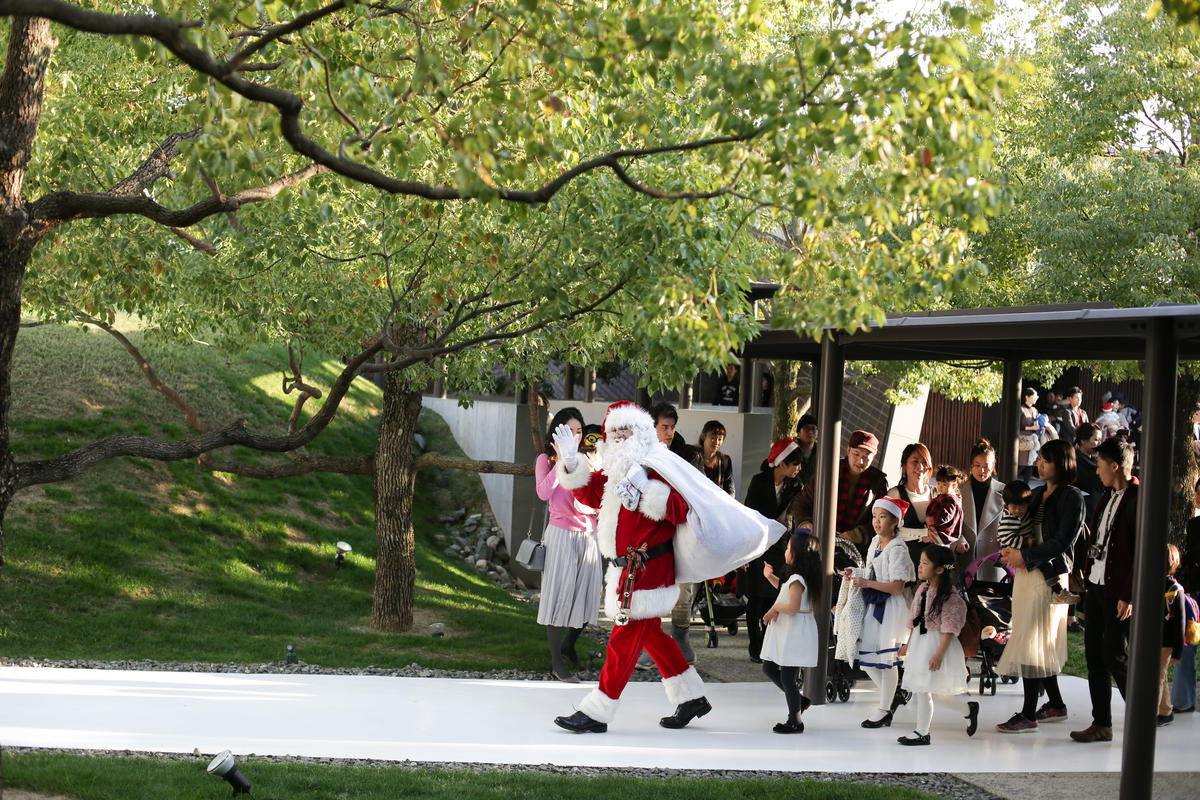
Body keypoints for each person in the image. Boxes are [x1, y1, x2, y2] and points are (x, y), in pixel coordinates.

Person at [551, 402, 710, 733]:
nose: (619, 438)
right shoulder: (616, 471)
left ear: (640, 432)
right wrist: (571, 463)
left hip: (648, 568)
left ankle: (597, 712)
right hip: (628, 569)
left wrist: (645, 489)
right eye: (613, 433)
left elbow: (681, 510)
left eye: (625, 432)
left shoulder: (658, 465)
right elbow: (590, 493)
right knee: (650, 635)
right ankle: (692, 696)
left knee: (622, 640)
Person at [995, 439, 1085, 733]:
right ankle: (1056, 704)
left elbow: (1062, 541)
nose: (1040, 463)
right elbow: (1017, 523)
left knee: (1033, 640)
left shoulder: (1072, 497)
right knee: (1032, 637)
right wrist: (1011, 550)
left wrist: (1024, 555)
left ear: (1063, 463)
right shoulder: (1035, 493)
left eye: (1046, 460)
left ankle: (1028, 713)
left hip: (1049, 575)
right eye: (1040, 458)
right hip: (1028, 571)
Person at [1070, 437, 1138, 743]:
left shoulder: (1137, 498)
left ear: (1115, 466)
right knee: (1095, 655)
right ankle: (1102, 723)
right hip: (1096, 584)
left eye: (1099, 465)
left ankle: (1141, 715)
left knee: (1115, 655)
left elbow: (1141, 552)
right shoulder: (1107, 496)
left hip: (1117, 591)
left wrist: (1129, 594)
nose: (1096, 471)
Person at [536, 407, 601, 683]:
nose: (575, 436)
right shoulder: (546, 460)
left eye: (578, 431)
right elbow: (543, 493)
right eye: (569, 431)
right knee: (558, 598)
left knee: (588, 597)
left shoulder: (590, 458)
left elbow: (597, 496)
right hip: (561, 535)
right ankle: (556, 662)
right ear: (557, 432)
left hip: (589, 535)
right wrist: (562, 461)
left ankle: (568, 645)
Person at [896, 544, 980, 745]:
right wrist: (908, 645)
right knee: (926, 689)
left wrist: (939, 655)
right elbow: (914, 620)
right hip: (920, 644)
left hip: (937, 645)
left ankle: (922, 732)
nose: (920, 566)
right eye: (920, 562)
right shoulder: (922, 590)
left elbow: (950, 629)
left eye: (925, 563)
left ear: (940, 569)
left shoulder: (950, 598)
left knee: (925, 690)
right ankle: (968, 709)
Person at [844, 496, 916, 729]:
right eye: (875, 516)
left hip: (891, 608)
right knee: (868, 661)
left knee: (887, 661)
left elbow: (897, 587)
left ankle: (884, 709)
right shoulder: (875, 542)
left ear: (895, 521)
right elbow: (872, 572)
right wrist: (855, 575)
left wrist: (866, 583)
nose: (876, 521)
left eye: (882, 517)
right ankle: (893, 696)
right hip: (875, 605)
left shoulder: (898, 549)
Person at [743, 438, 805, 663]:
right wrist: (745, 551)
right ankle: (755, 645)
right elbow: (748, 514)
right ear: (781, 464)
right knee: (755, 598)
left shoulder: (796, 485)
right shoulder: (759, 481)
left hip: (780, 545)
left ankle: (769, 644)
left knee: (774, 594)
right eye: (795, 464)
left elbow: (796, 516)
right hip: (758, 544)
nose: (799, 468)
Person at [760, 529, 821, 733]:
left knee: (787, 677)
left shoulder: (797, 578)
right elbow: (785, 590)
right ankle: (799, 702)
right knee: (770, 668)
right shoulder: (797, 577)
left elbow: (793, 606)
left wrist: (775, 608)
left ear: (796, 554)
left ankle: (795, 720)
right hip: (791, 630)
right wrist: (770, 577)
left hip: (794, 632)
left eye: (788, 548)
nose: (785, 551)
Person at [793, 429, 889, 558]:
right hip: (817, 539)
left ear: (874, 457)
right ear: (848, 450)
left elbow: (882, 519)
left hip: (852, 551)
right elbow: (802, 502)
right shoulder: (829, 470)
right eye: (856, 454)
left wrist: (857, 535)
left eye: (866, 457)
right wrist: (806, 523)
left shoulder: (878, 483)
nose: (860, 461)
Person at [1171, 476, 1200, 714]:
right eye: (1197, 492)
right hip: (1194, 592)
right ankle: (1183, 699)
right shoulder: (1194, 524)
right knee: (1188, 642)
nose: (1198, 497)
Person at [960, 438, 1006, 578]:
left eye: (986, 466)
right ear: (971, 466)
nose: (982, 470)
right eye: (977, 465)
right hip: (964, 557)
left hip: (992, 560)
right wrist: (958, 542)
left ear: (993, 466)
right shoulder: (958, 490)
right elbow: (951, 524)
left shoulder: (1004, 491)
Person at [887, 442, 934, 569]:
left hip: (934, 569)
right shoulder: (895, 495)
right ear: (904, 465)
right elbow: (889, 531)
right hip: (903, 568)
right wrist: (923, 533)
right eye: (915, 461)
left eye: (924, 462)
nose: (920, 467)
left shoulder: (937, 494)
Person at [1159, 545, 1188, 726]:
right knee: (1160, 676)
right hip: (1152, 640)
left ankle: (1149, 713)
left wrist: (1177, 651)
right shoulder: (1151, 583)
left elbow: (1180, 623)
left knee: (1156, 678)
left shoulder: (1176, 589)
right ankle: (1165, 711)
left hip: (1166, 642)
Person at [924, 465, 966, 553]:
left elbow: (946, 515)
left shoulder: (949, 499)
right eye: (938, 483)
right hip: (942, 535)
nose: (940, 487)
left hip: (941, 535)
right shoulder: (948, 497)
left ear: (954, 486)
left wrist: (933, 520)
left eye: (944, 484)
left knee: (936, 553)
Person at [690, 420, 735, 497]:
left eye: (720, 439)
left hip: (715, 501)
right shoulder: (693, 455)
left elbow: (730, 490)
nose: (716, 442)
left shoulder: (725, 460)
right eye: (713, 438)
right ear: (703, 437)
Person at [1074, 422, 1104, 519]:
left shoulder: (1095, 460)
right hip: (1083, 512)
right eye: (1096, 440)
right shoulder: (1075, 460)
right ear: (1083, 440)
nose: (1099, 444)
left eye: (1100, 440)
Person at [1018, 388, 1042, 482]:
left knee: (1030, 464)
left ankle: (1026, 486)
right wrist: (1032, 428)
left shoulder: (1034, 410)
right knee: (1021, 464)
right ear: (1027, 397)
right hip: (1023, 439)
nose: (1036, 398)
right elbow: (1018, 426)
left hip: (1032, 439)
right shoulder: (1021, 409)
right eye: (1034, 396)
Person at [794, 413, 819, 487]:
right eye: (806, 429)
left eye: (813, 429)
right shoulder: (791, 451)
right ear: (798, 432)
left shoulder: (822, 453)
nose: (810, 432)